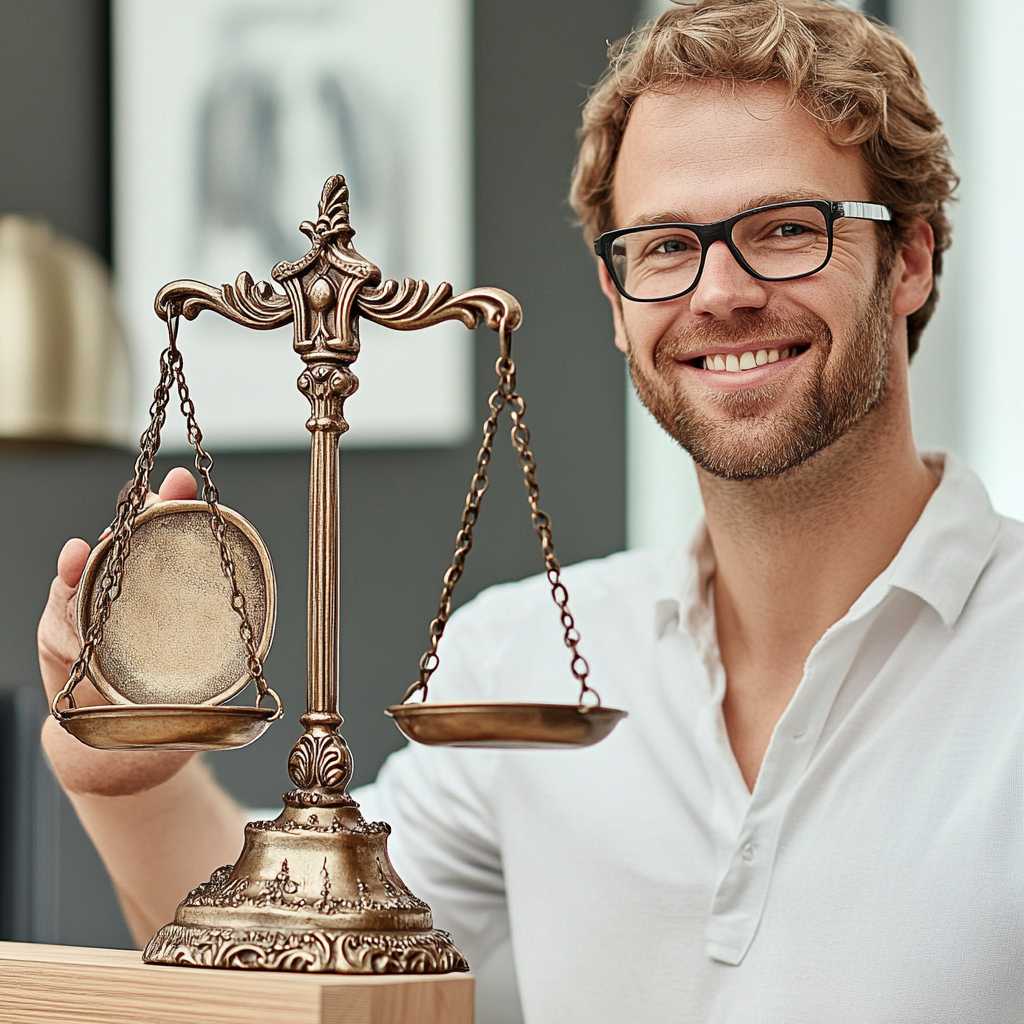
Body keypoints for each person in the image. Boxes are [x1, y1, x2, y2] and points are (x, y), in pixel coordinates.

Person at [36, 2, 1024, 1021]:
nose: (719, 291)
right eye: (666, 245)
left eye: (784, 230)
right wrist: (132, 780)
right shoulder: (524, 662)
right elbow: (287, 965)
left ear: (907, 259)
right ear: (614, 296)